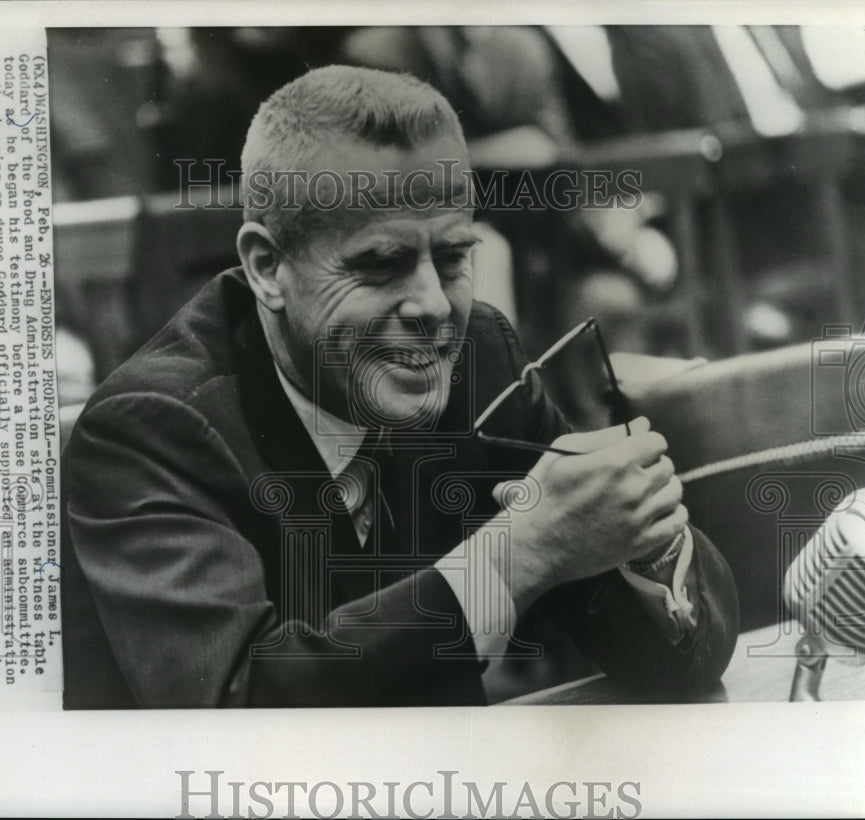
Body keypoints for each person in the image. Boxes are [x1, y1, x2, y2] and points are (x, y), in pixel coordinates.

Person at [61, 65, 738, 708]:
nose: (434, 307)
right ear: (267, 268)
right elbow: (237, 712)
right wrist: (517, 555)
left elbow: (684, 660)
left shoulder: (479, 358)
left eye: (451, 259)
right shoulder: (150, 430)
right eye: (381, 265)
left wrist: (642, 537)